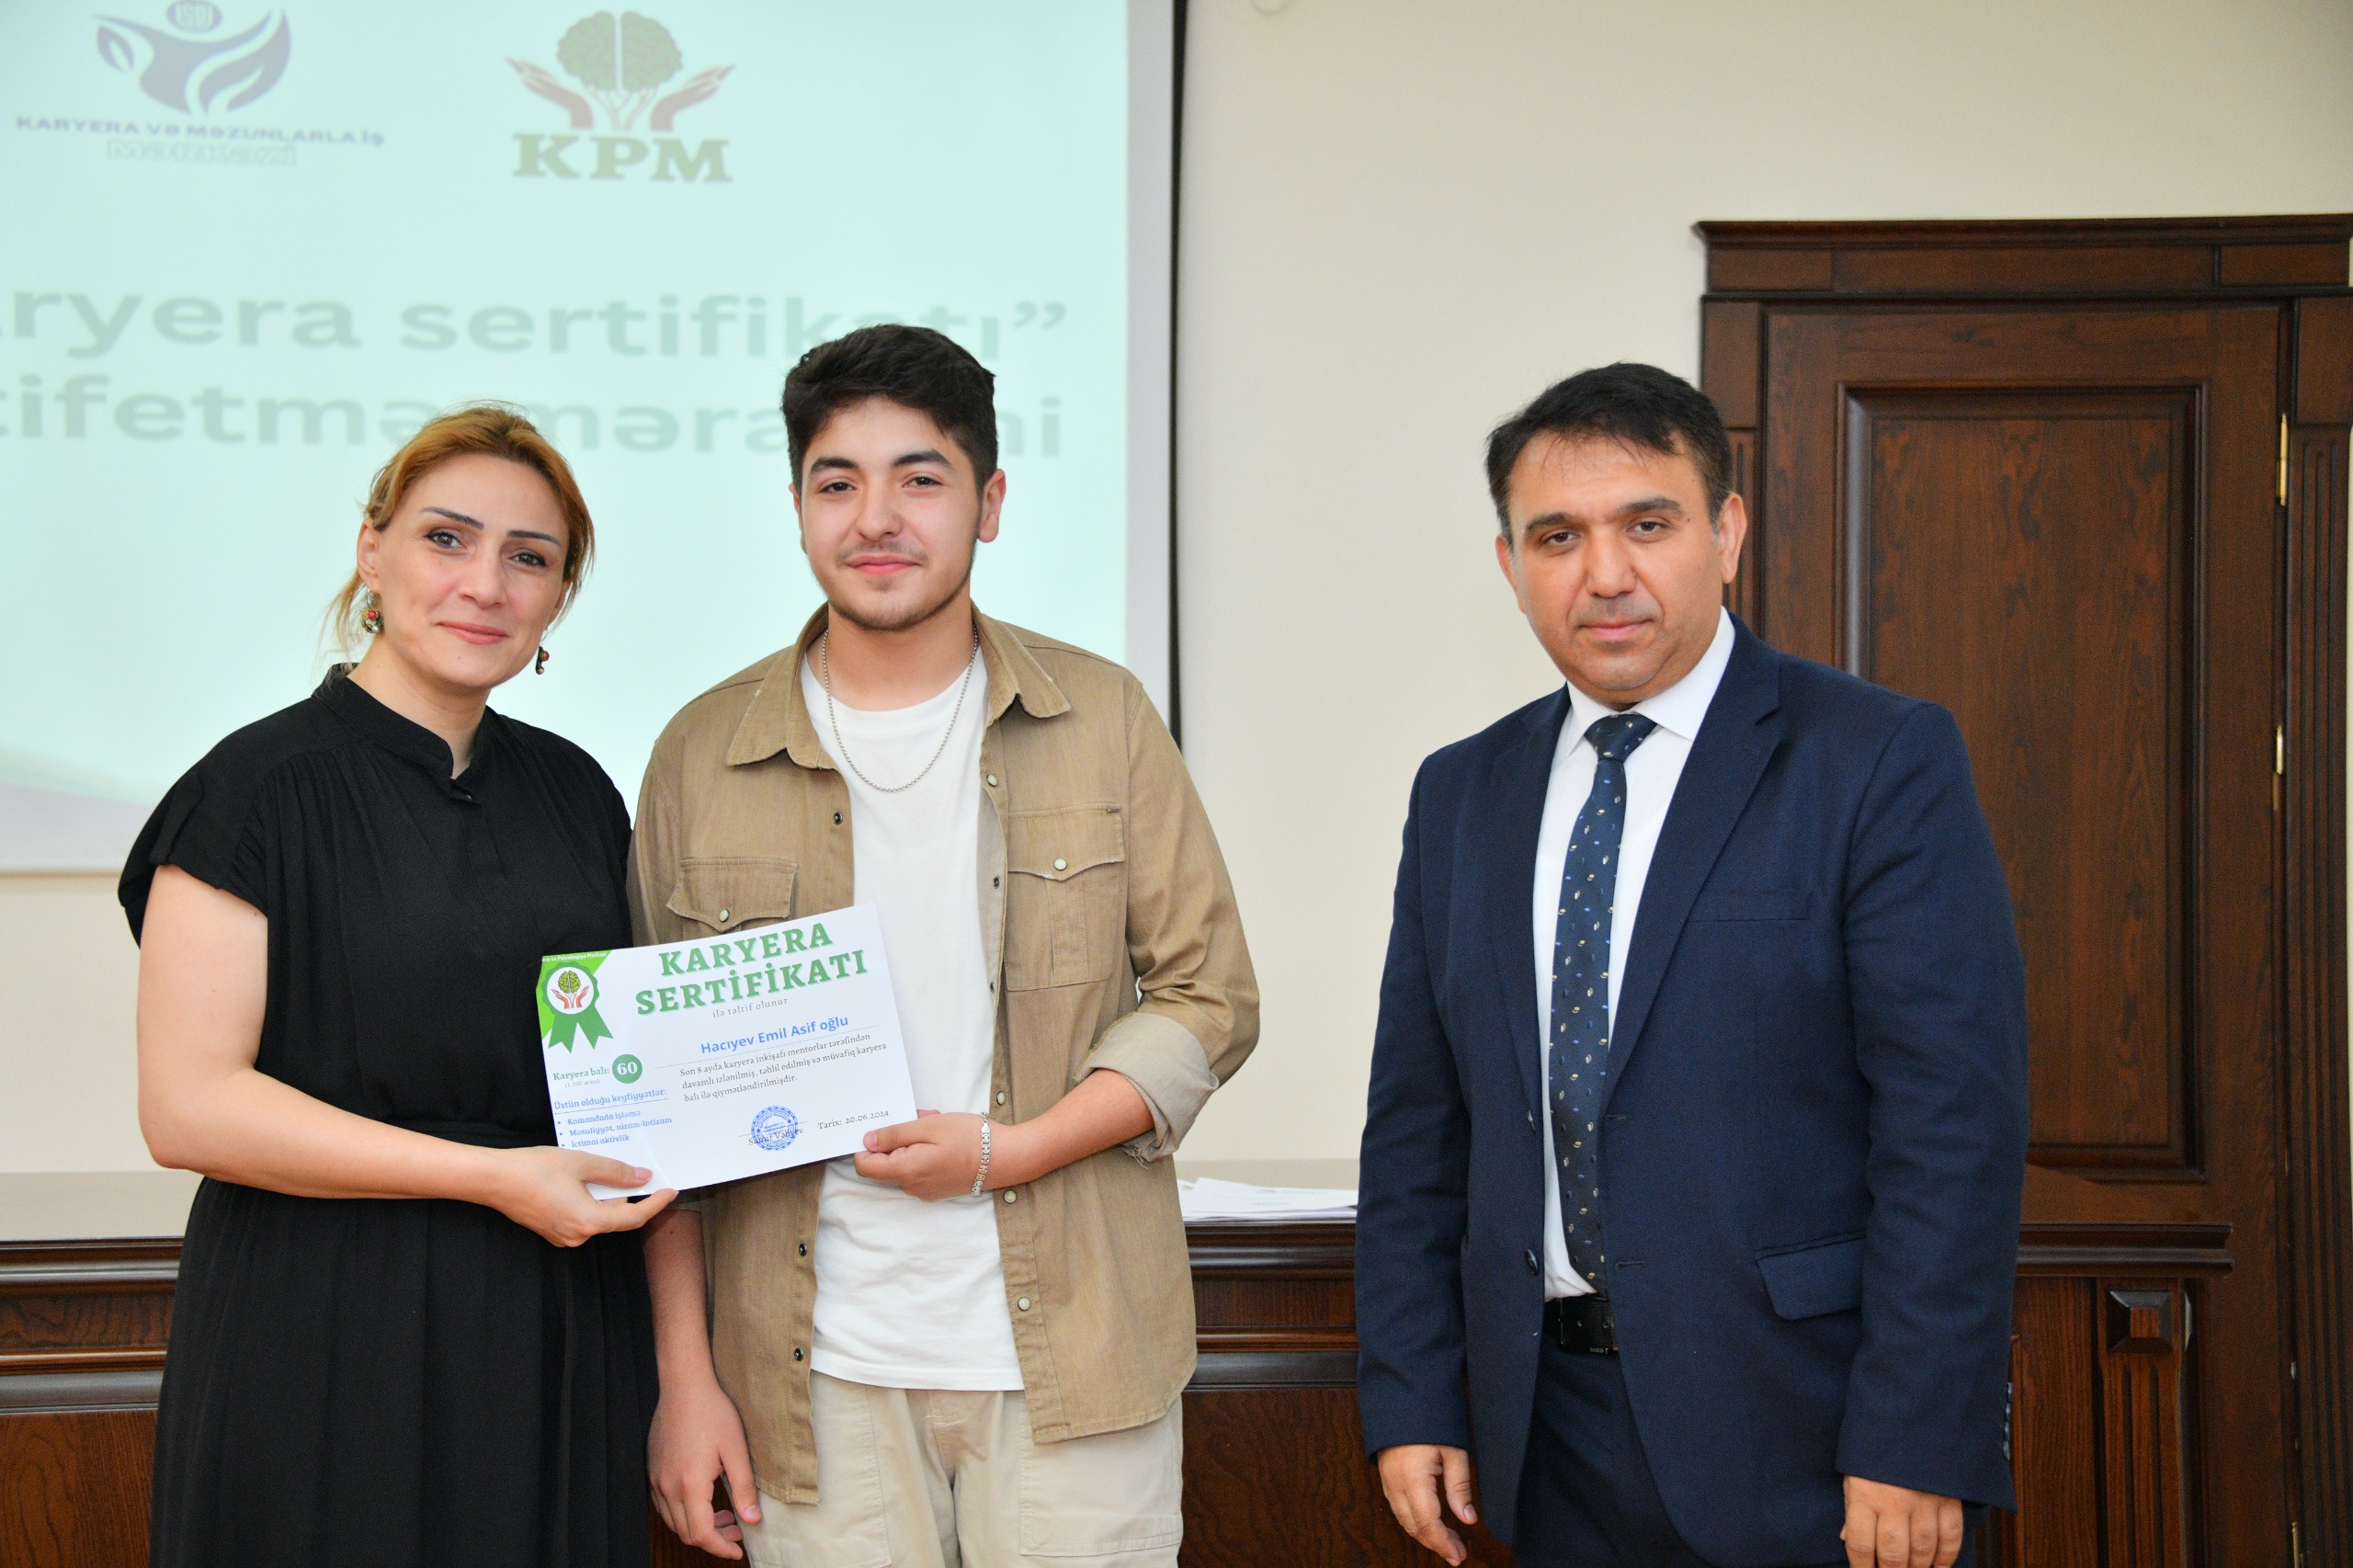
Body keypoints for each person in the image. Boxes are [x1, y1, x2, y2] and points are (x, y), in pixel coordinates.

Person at [1354, 364, 2029, 1568]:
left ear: (1726, 532)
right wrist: (1412, 1394)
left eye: (1647, 524)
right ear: (1509, 564)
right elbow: (1419, 1128)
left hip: (1816, 1434)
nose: (1605, 573)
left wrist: (1918, 1433)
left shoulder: (1876, 758)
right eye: (1557, 536)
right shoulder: (1460, 791)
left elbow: (1951, 1129)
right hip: (1543, 1434)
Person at [633, 324, 1257, 1567]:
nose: (876, 517)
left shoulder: (1102, 717)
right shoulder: (702, 751)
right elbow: (663, 1115)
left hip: (1077, 1355)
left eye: (919, 478)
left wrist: (1009, 1150)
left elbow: (1210, 997)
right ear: (798, 507)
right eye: (837, 481)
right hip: (809, 1383)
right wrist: (684, 1380)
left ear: (989, 502)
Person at [122, 405, 674, 1568]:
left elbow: (645, 1066)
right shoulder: (252, 788)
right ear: (372, 551)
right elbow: (188, 1108)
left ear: (558, 597)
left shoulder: (578, 793)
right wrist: (492, 1176)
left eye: (530, 557)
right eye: (446, 537)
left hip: (554, 1324)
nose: (485, 583)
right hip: (320, 1327)